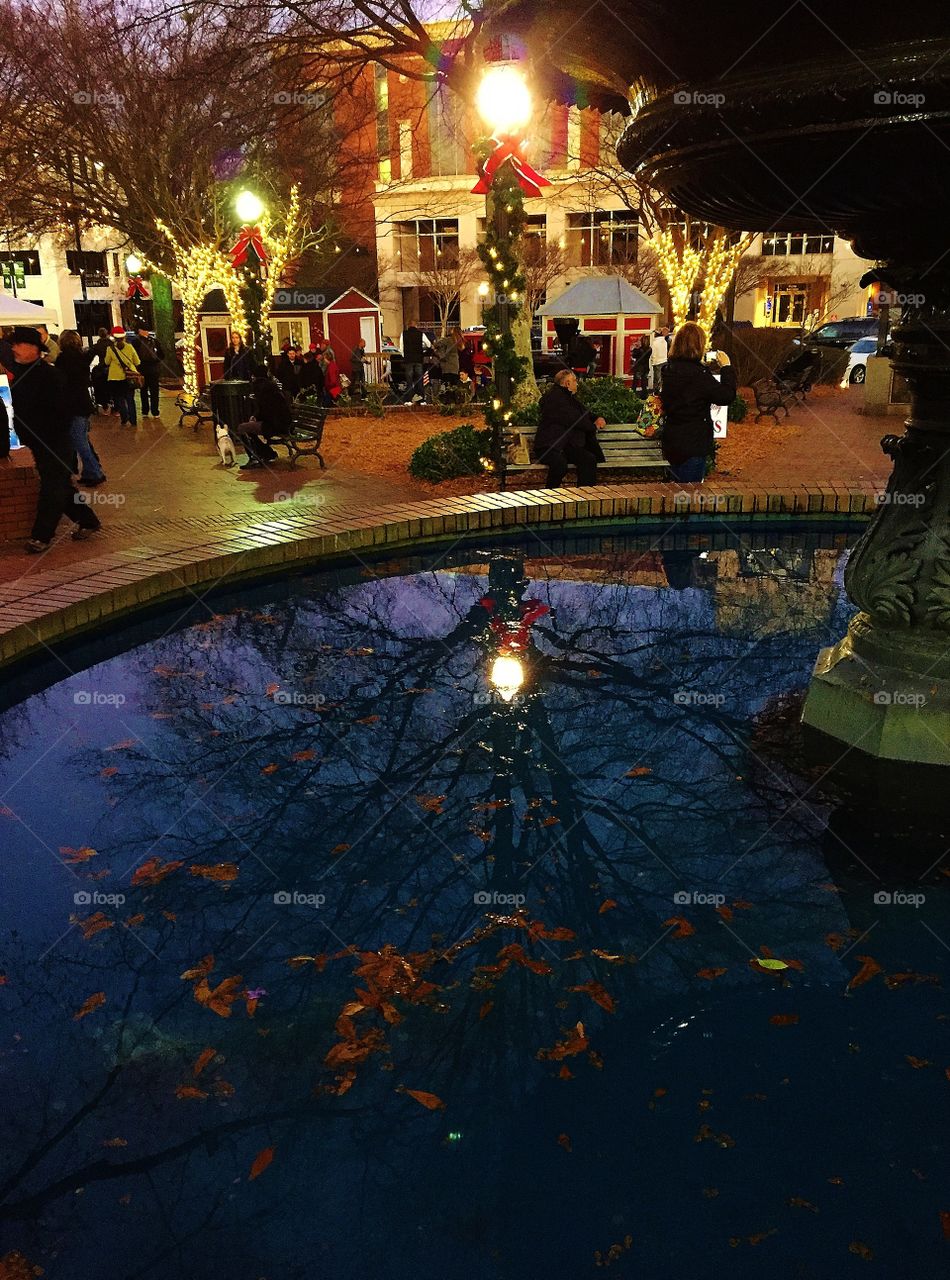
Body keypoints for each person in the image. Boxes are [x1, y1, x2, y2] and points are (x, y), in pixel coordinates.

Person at [0, 326, 102, 553]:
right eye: (14, 344)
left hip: (54, 441)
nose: (15, 348)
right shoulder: (21, 372)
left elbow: (61, 410)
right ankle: (88, 521)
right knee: (60, 487)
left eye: (20, 344)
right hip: (38, 441)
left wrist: (48, 433)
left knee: (52, 488)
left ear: (35, 349)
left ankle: (42, 535)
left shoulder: (49, 375)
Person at [659, 320, 736, 484]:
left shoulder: (668, 370)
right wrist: (727, 368)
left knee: (676, 491)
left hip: (672, 440)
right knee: (690, 495)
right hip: (693, 442)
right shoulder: (698, 375)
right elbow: (726, 396)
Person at [533, 368, 606, 487]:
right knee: (560, 464)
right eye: (575, 381)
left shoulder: (567, 396)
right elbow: (575, 419)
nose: (576, 383)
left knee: (588, 459)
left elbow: (582, 412)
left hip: (564, 445)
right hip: (549, 446)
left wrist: (596, 417)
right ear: (567, 383)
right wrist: (594, 426)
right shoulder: (556, 399)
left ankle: (585, 495)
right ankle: (550, 495)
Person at [56, 329, 106, 486]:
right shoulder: (81, 357)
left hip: (73, 405)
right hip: (83, 403)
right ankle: (91, 471)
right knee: (83, 439)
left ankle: (95, 473)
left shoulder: (63, 359)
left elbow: (62, 383)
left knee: (80, 441)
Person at [235, 365, 293, 470]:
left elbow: (267, 410)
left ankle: (254, 457)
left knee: (242, 428)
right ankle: (266, 453)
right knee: (249, 428)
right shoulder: (270, 386)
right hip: (282, 423)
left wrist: (256, 418)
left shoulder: (261, 387)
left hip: (275, 425)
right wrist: (256, 417)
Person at [104, 326, 140, 426]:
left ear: (113, 337)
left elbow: (107, 362)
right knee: (130, 399)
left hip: (115, 377)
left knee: (119, 399)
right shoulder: (130, 347)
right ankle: (133, 420)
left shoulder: (110, 349)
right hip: (129, 377)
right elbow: (137, 361)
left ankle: (124, 418)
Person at [131, 326, 164, 418]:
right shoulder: (154, 341)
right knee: (154, 391)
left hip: (142, 370)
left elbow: (134, 357)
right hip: (153, 369)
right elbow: (162, 355)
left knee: (143, 391)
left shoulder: (135, 342)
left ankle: (145, 411)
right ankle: (155, 411)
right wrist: (156, 361)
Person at [399, 320, 431, 403]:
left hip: (408, 359)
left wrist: (404, 355)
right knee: (419, 379)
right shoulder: (421, 334)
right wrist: (423, 351)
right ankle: (421, 399)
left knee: (409, 380)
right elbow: (429, 344)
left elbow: (401, 347)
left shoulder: (404, 334)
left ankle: (409, 400)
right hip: (418, 359)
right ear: (416, 326)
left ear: (408, 325)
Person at [91, 327, 112, 413]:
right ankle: (116, 408)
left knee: (102, 387)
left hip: (102, 368)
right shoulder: (111, 344)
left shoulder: (97, 345)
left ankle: (105, 406)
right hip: (111, 367)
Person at [650, 325, 670, 392]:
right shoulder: (664, 342)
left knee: (657, 379)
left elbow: (653, 353)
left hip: (657, 362)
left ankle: (656, 393)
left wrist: (652, 361)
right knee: (662, 379)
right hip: (664, 361)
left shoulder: (655, 342)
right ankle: (662, 391)